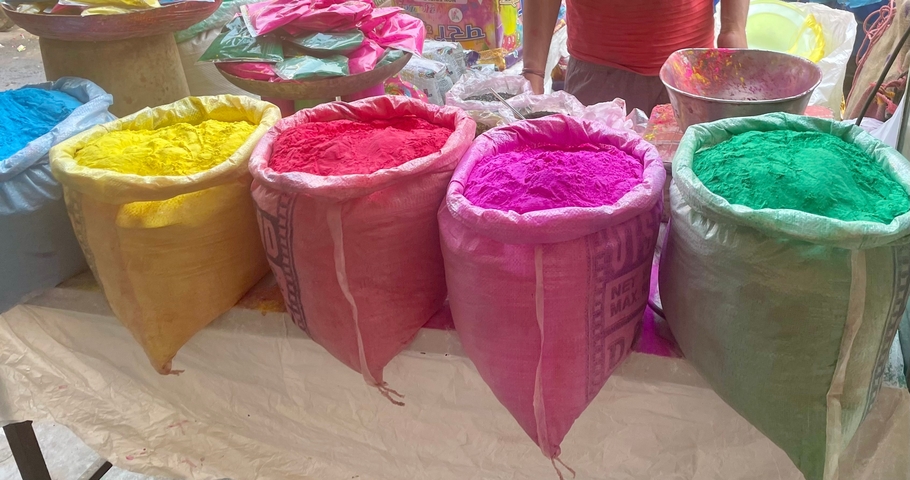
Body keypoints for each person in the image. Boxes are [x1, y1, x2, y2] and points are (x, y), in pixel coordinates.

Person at [522, 0, 750, 113]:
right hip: (599, 79)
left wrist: (733, 33)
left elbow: (733, 31)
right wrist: (533, 73)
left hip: (692, 75)